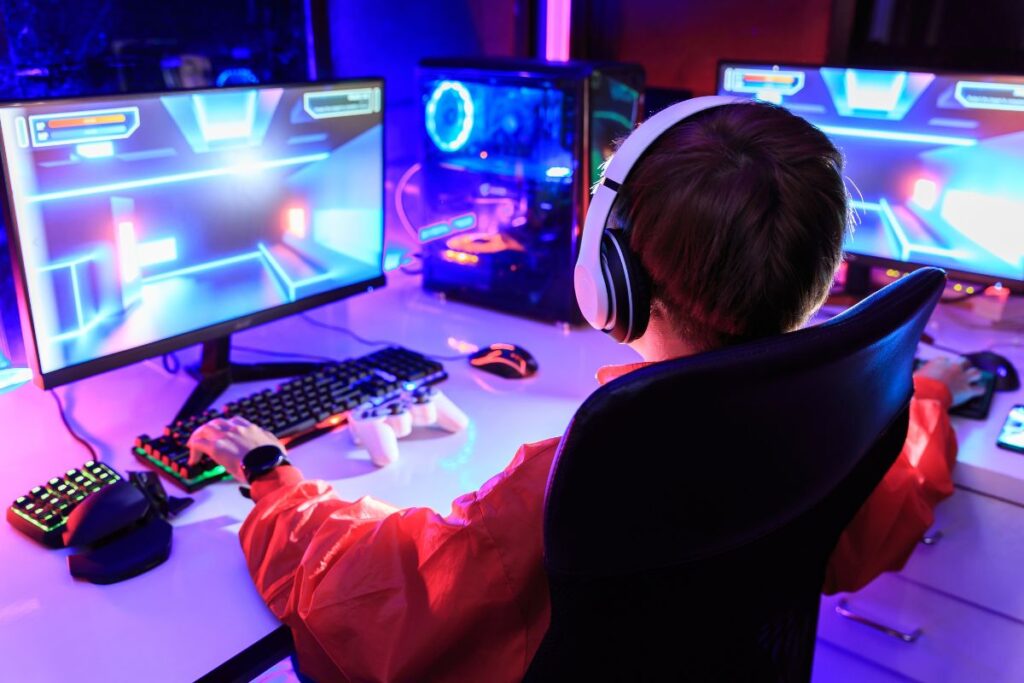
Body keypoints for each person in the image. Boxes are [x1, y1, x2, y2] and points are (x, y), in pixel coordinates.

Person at [188, 101, 984, 683]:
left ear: (612, 276)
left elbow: (377, 599)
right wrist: (925, 394)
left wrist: (274, 481)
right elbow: (879, 517)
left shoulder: (595, 472)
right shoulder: (827, 417)